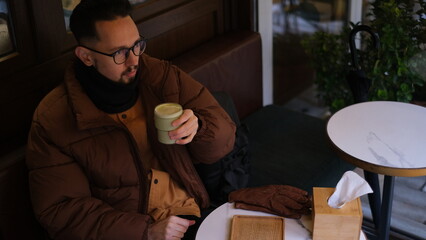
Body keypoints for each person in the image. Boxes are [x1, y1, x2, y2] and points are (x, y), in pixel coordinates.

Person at [26, 0, 311, 239]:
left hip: (196, 207)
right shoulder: (54, 120)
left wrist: (198, 127)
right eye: (119, 53)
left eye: (138, 44)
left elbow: (224, 135)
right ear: (86, 56)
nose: (134, 60)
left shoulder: (157, 75)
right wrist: (146, 231)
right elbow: (61, 211)